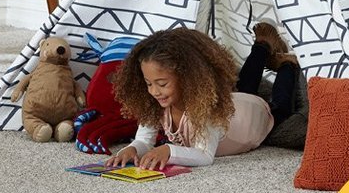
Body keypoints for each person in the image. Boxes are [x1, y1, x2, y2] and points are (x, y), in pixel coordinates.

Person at [105, 21, 300, 169]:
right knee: (242, 85)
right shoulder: (155, 103)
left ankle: (287, 65)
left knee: (279, 107)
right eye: (148, 83)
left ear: (187, 78)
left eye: (162, 84)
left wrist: (168, 150)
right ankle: (263, 45)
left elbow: (205, 155)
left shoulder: (204, 108)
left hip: (251, 118)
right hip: (233, 108)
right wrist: (130, 149)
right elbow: (144, 140)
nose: (154, 91)